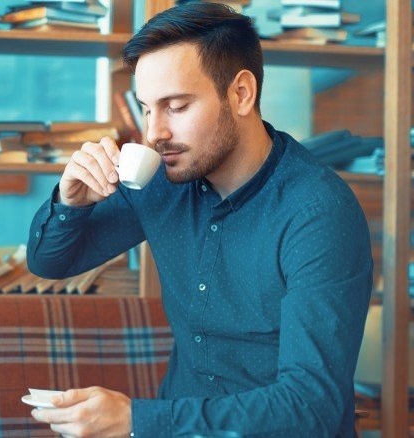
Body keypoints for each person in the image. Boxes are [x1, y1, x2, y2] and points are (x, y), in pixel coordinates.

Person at [26, 3, 372, 437]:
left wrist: (138, 420)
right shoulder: (161, 181)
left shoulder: (317, 213)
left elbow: (310, 406)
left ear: (241, 94)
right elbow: (50, 263)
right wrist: (71, 201)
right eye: (147, 108)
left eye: (176, 106)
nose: (154, 132)